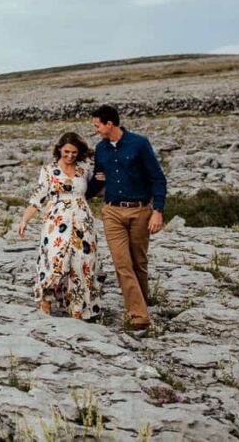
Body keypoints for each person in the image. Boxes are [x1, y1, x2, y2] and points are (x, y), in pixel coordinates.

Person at [86, 105, 167, 331]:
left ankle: (142, 300)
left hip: (140, 210)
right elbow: (98, 181)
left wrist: (157, 210)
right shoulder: (100, 149)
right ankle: (139, 316)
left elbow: (158, 178)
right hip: (112, 211)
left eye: (97, 125)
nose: (96, 130)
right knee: (122, 263)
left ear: (110, 124)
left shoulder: (139, 143)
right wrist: (72, 191)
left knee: (138, 262)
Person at [16, 132, 102, 320]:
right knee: (55, 259)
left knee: (82, 262)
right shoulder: (48, 171)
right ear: (59, 150)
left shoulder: (84, 169)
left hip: (82, 221)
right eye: (67, 151)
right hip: (57, 222)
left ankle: (78, 307)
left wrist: (101, 180)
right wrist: (24, 220)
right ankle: (45, 297)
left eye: (74, 152)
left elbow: (92, 191)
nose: (70, 155)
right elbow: (37, 200)